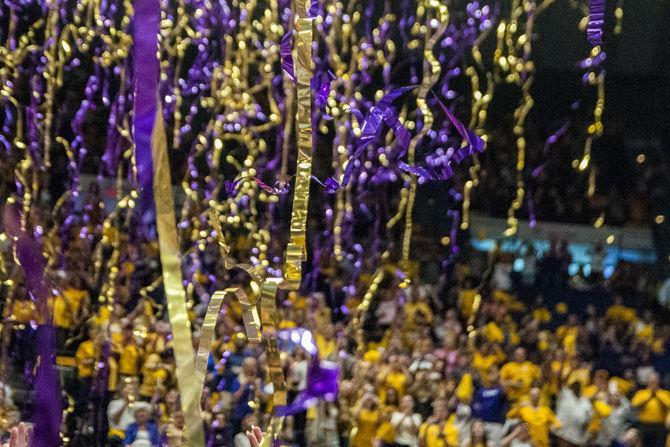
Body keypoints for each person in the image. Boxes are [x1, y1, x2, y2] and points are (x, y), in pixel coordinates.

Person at [630, 372, 670, 447]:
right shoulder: (641, 393)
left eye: (655, 381)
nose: (653, 383)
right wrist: (650, 396)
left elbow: (668, 405)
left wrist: (657, 395)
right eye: (651, 381)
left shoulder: (665, 393)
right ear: (647, 382)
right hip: (644, 425)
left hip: (659, 425)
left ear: (659, 381)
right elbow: (635, 405)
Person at [471, 368, 507, 445]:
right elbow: (476, 406)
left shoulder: (499, 390)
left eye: (493, 374)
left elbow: (505, 392)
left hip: (496, 424)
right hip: (482, 424)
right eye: (489, 374)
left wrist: (499, 378)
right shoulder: (481, 391)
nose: (491, 376)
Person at [554, 381, 593, 446]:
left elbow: (588, 418)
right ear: (571, 387)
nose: (576, 388)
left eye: (578, 386)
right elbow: (558, 383)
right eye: (575, 385)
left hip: (577, 435)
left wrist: (584, 429)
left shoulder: (585, 401)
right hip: (563, 432)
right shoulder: (565, 394)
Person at [107, 381, 139, 446]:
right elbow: (115, 420)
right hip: (116, 435)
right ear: (122, 391)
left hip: (132, 436)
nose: (130, 392)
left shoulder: (138, 405)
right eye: (128, 389)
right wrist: (125, 403)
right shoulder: (114, 403)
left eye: (132, 389)